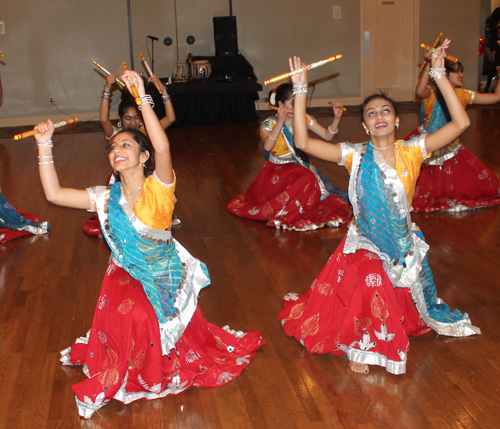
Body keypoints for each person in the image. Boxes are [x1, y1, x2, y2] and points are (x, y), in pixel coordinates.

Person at [33, 70, 264, 418]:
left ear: (143, 157)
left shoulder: (160, 186)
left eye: (125, 145)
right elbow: (53, 194)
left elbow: (163, 145)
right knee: (133, 315)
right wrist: (44, 144)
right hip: (126, 271)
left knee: (149, 318)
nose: (116, 150)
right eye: (112, 147)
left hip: (165, 273)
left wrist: (142, 95)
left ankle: (161, 356)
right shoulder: (104, 197)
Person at [279, 43, 480, 376]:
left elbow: (460, 123)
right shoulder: (354, 154)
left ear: (398, 120)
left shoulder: (413, 150)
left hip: (401, 244)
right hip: (366, 244)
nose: (379, 116)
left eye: (385, 111)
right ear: (365, 127)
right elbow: (303, 142)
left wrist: (439, 74)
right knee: (372, 277)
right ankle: (365, 342)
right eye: (371, 114)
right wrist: (301, 89)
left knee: (398, 287)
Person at [227, 83, 352, 231]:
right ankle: (291, 210)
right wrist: (280, 121)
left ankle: (301, 207)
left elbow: (327, 135)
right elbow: (267, 147)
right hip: (277, 168)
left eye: (300, 102)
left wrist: (336, 118)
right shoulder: (269, 123)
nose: (298, 106)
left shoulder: (303, 119)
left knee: (309, 177)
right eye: (293, 103)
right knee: (307, 177)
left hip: (297, 166)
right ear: (280, 104)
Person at [84, 72, 178, 237]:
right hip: (123, 182)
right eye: (128, 118)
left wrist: (163, 91)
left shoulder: (148, 132)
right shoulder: (117, 136)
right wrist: (107, 88)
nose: (132, 122)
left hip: (145, 182)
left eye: (136, 118)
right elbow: (104, 120)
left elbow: (170, 118)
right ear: (121, 119)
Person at [409, 53, 500, 212]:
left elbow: (495, 97)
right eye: (456, 71)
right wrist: (430, 64)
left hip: (450, 148)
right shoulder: (432, 93)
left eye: (461, 71)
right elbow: (419, 91)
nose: (461, 75)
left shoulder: (463, 95)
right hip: (428, 143)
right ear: (444, 73)